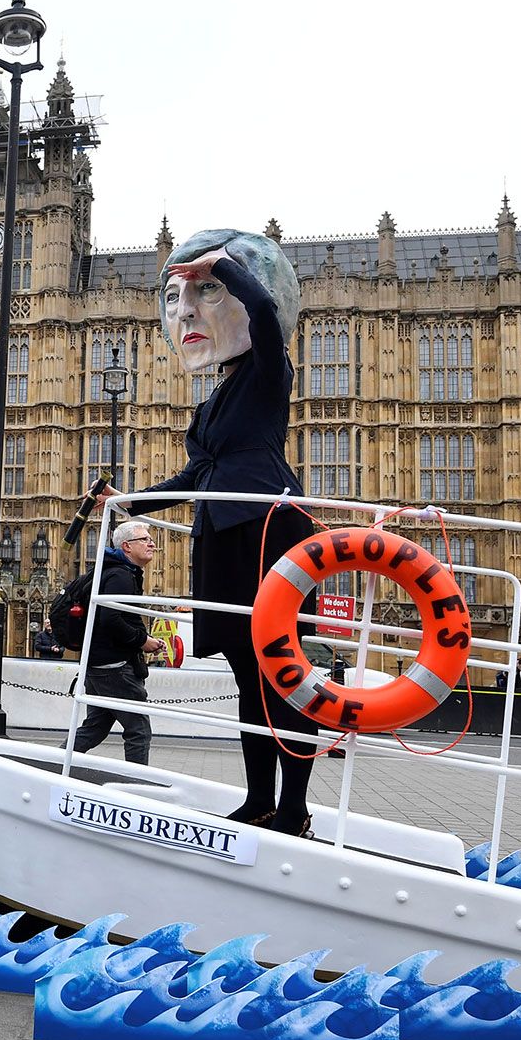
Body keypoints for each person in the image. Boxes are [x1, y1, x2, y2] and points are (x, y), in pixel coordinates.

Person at [106, 229, 322, 837]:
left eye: (202, 295)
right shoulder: (218, 395)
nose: (188, 314)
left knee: (282, 671)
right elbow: (197, 476)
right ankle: (259, 799)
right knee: (247, 676)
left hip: (265, 528)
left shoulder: (266, 371)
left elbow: (264, 313)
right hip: (221, 535)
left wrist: (222, 264)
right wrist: (129, 502)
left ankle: (295, 808)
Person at [72, 521, 166, 766]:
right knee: (138, 730)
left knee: (95, 727)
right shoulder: (120, 575)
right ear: (126, 546)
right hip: (114, 667)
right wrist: (142, 640)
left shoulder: (113, 571)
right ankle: (135, 788)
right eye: (144, 539)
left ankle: (52, 765)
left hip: (98, 664)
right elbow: (110, 619)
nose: (152, 543)